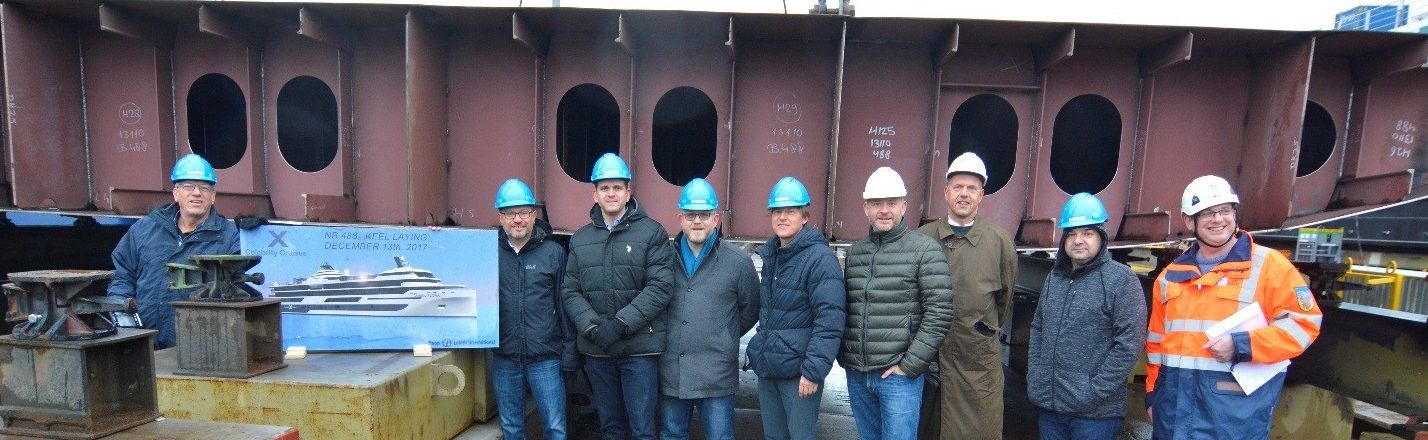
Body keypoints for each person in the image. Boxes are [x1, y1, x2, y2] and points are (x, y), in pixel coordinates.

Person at [1145, 175, 1322, 439]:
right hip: (1172, 415)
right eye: (1207, 213)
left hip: (1234, 419)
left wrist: (1243, 345)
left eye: (1225, 210)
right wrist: (1152, 396)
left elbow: (1304, 324)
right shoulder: (1170, 277)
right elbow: (1156, 343)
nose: (1218, 219)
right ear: (1189, 221)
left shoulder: (1269, 265)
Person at [561, 153, 675, 440]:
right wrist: (593, 328)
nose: (611, 193)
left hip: (639, 351)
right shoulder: (581, 239)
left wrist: (621, 325)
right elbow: (570, 290)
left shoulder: (652, 233)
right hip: (597, 349)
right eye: (604, 188)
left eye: (617, 187)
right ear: (595, 194)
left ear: (628, 192)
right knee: (610, 427)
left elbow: (660, 287)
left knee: (642, 429)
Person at [840, 167, 954, 440]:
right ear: (865, 208)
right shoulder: (856, 253)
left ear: (904, 206)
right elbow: (847, 308)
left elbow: (940, 312)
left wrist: (909, 365)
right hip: (858, 374)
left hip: (898, 376)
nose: (884, 210)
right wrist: (845, 357)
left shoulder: (925, 250)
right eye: (876, 203)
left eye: (891, 203)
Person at [1027, 192, 1147, 440]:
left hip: (1095, 416)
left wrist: (1093, 392)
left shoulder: (1121, 280)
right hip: (1050, 408)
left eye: (1087, 233)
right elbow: (1038, 328)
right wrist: (1036, 377)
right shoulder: (1055, 278)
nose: (1078, 240)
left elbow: (1129, 344)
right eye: (1071, 234)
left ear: (1101, 237)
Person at [916, 152, 1017, 440]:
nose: (964, 194)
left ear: (981, 195)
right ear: (946, 192)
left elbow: (1004, 301)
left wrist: (980, 329)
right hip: (930, 359)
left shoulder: (999, 241)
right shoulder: (922, 238)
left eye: (971, 188)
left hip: (976, 363)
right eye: (958, 187)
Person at [658, 178, 759, 440]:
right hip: (673, 370)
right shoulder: (663, 258)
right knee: (671, 434)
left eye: (704, 215)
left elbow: (750, 309)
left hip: (716, 374)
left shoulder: (737, 262)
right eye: (690, 215)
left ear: (716, 219)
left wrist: (723, 334)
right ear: (680, 218)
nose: (697, 221)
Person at [746, 176, 846, 440]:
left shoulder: (820, 259)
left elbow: (830, 320)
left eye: (790, 211)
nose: (782, 217)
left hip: (799, 374)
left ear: (804, 216)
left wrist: (813, 371)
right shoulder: (773, 255)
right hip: (769, 367)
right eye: (777, 211)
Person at [107, 153, 239, 350]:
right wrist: (124, 322)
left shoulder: (229, 237)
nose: (196, 193)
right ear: (176, 193)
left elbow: (239, 289)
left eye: (204, 187)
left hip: (201, 347)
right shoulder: (144, 230)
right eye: (188, 186)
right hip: (144, 344)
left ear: (213, 196)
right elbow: (122, 277)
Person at [492, 178, 573, 440]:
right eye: (510, 213)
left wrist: (569, 353)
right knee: (512, 428)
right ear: (501, 217)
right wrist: (436, 236)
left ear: (534, 215)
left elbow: (565, 306)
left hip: (546, 359)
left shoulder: (553, 253)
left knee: (554, 428)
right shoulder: (487, 252)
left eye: (524, 212)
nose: (518, 219)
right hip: (505, 357)